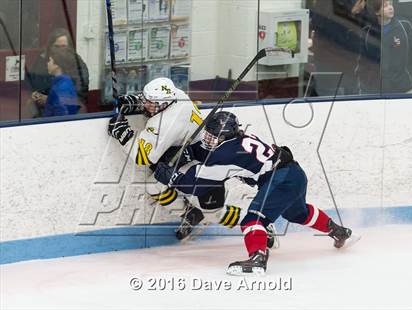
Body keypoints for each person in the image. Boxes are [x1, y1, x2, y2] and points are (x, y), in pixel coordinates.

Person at [153, 111, 354, 275]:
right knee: (297, 213)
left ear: (224, 137)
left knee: (253, 220)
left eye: (212, 136)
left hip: (280, 180)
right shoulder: (240, 139)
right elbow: (214, 151)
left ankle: (258, 258)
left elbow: (196, 184)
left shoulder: (225, 155)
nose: (207, 139)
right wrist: (192, 152)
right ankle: (338, 231)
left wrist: (172, 177)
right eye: (207, 134)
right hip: (295, 174)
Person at [107, 77, 226, 239]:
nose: (146, 104)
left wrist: (124, 135)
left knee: (154, 186)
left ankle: (194, 213)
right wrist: (135, 103)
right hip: (194, 150)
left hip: (198, 161)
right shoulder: (177, 94)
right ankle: (192, 213)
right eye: (145, 99)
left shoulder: (164, 124)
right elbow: (152, 104)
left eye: (151, 103)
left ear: (164, 104)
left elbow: (142, 157)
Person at [355, 0, 412, 94]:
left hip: (405, 90)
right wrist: (364, 90)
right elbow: (362, 64)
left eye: (391, 4)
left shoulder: (404, 27)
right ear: (377, 12)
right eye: (385, 6)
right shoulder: (368, 33)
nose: (390, 7)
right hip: (377, 92)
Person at [26, 28, 89, 116]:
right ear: (50, 46)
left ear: (69, 47)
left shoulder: (78, 64)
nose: (60, 50)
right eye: (56, 46)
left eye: (63, 46)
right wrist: (34, 94)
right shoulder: (42, 59)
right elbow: (30, 80)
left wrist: (51, 100)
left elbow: (79, 96)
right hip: (40, 113)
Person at [41, 47, 80, 117]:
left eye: (49, 61)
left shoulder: (60, 89)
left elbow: (61, 119)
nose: (47, 63)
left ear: (57, 65)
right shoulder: (65, 82)